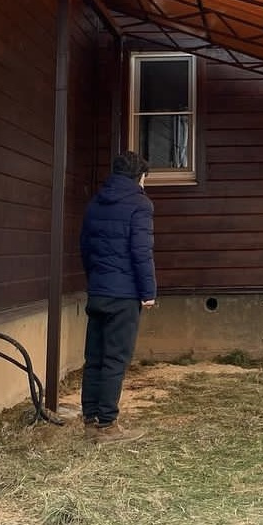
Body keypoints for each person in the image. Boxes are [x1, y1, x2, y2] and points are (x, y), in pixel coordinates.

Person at [79, 151, 156, 442]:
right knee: (115, 359)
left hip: (98, 290)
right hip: (124, 294)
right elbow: (141, 251)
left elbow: (85, 246)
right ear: (140, 176)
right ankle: (107, 424)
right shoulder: (140, 204)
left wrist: (95, 279)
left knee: (94, 358)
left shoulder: (95, 203)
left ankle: (90, 419)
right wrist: (148, 292)